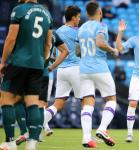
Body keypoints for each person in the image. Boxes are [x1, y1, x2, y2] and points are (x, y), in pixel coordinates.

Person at [0, 0, 53, 149]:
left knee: (6, 100)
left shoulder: (20, 10)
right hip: (38, 65)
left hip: (19, 62)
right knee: (32, 103)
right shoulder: (47, 13)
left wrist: (3, 62)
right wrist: (40, 61)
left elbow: (11, 39)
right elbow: (48, 44)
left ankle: (10, 142)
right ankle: (32, 143)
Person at [77, 1, 119, 148]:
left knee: (88, 104)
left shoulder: (81, 28)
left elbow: (77, 51)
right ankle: (102, 129)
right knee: (111, 99)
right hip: (99, 67)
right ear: (100, 12)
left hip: (83, 69)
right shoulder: (101, 26)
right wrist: (112, 50)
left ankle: (86, 138)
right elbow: (100, 43)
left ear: (87, 14)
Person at [43, 5, 81, 136]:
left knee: (58, 104)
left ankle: (39, 123)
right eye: (78, 17)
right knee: (88, 100)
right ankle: (88, 135)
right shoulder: (77, 32)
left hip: (61, 70)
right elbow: (79, 51)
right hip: (76, 68)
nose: (79, 20)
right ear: (74, 17)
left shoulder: (57, 31)